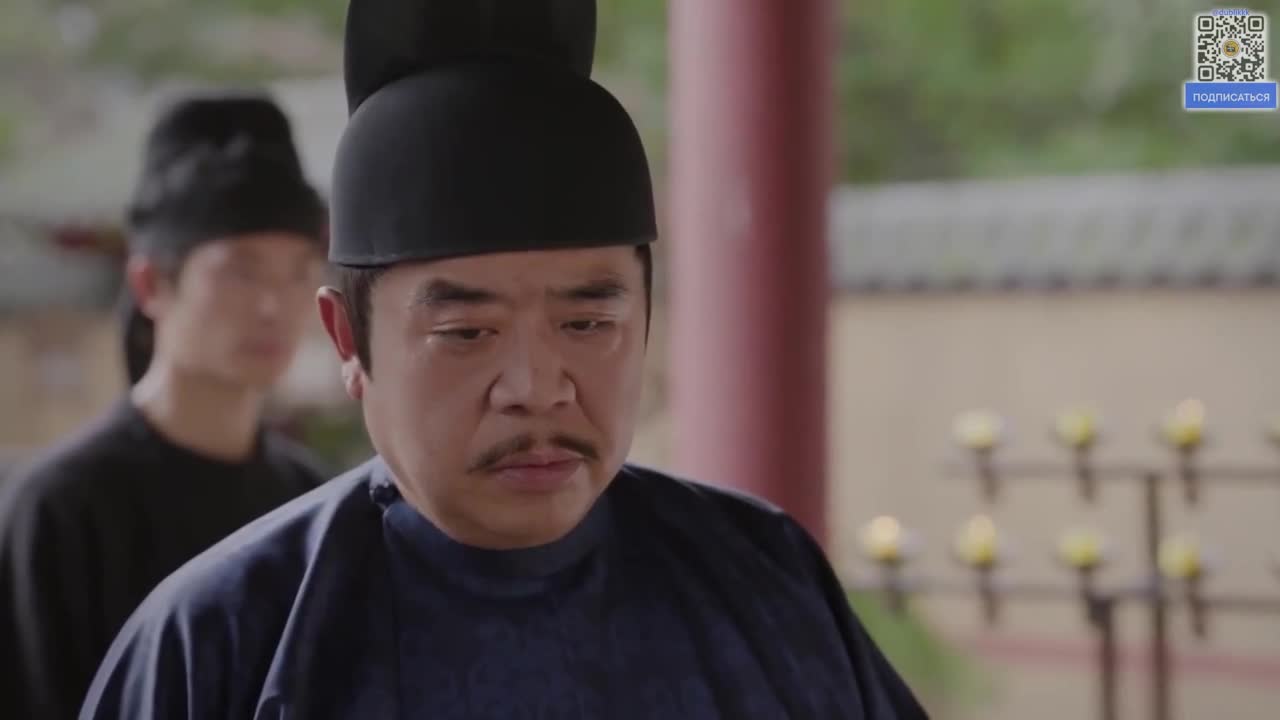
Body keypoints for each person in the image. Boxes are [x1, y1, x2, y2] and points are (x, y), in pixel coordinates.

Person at [79, 2, 929, 718]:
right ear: (349, 340)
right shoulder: (225, 639)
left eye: (588, 322)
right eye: (466, 333)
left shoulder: (762, 579)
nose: (537, 389)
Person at [0, 94, 330, 720]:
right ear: (151, 283)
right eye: (241, 271)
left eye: (297, 272)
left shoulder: (308, 497)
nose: (274, 305)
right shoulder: (62, 506)